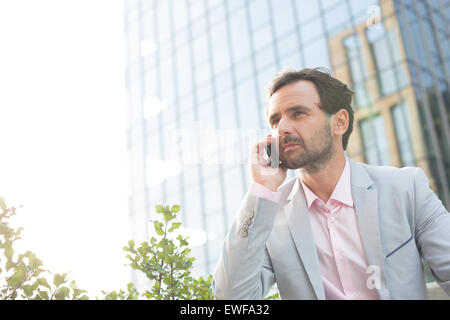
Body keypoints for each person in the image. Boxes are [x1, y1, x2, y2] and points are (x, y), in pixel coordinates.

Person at [212, 67, 450, 300]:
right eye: (275, 120)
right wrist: (262, 188)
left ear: (339, 122)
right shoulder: (267, 215)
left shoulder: (406, 188)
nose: (281, 128)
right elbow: (229, 298)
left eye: (298, 113)